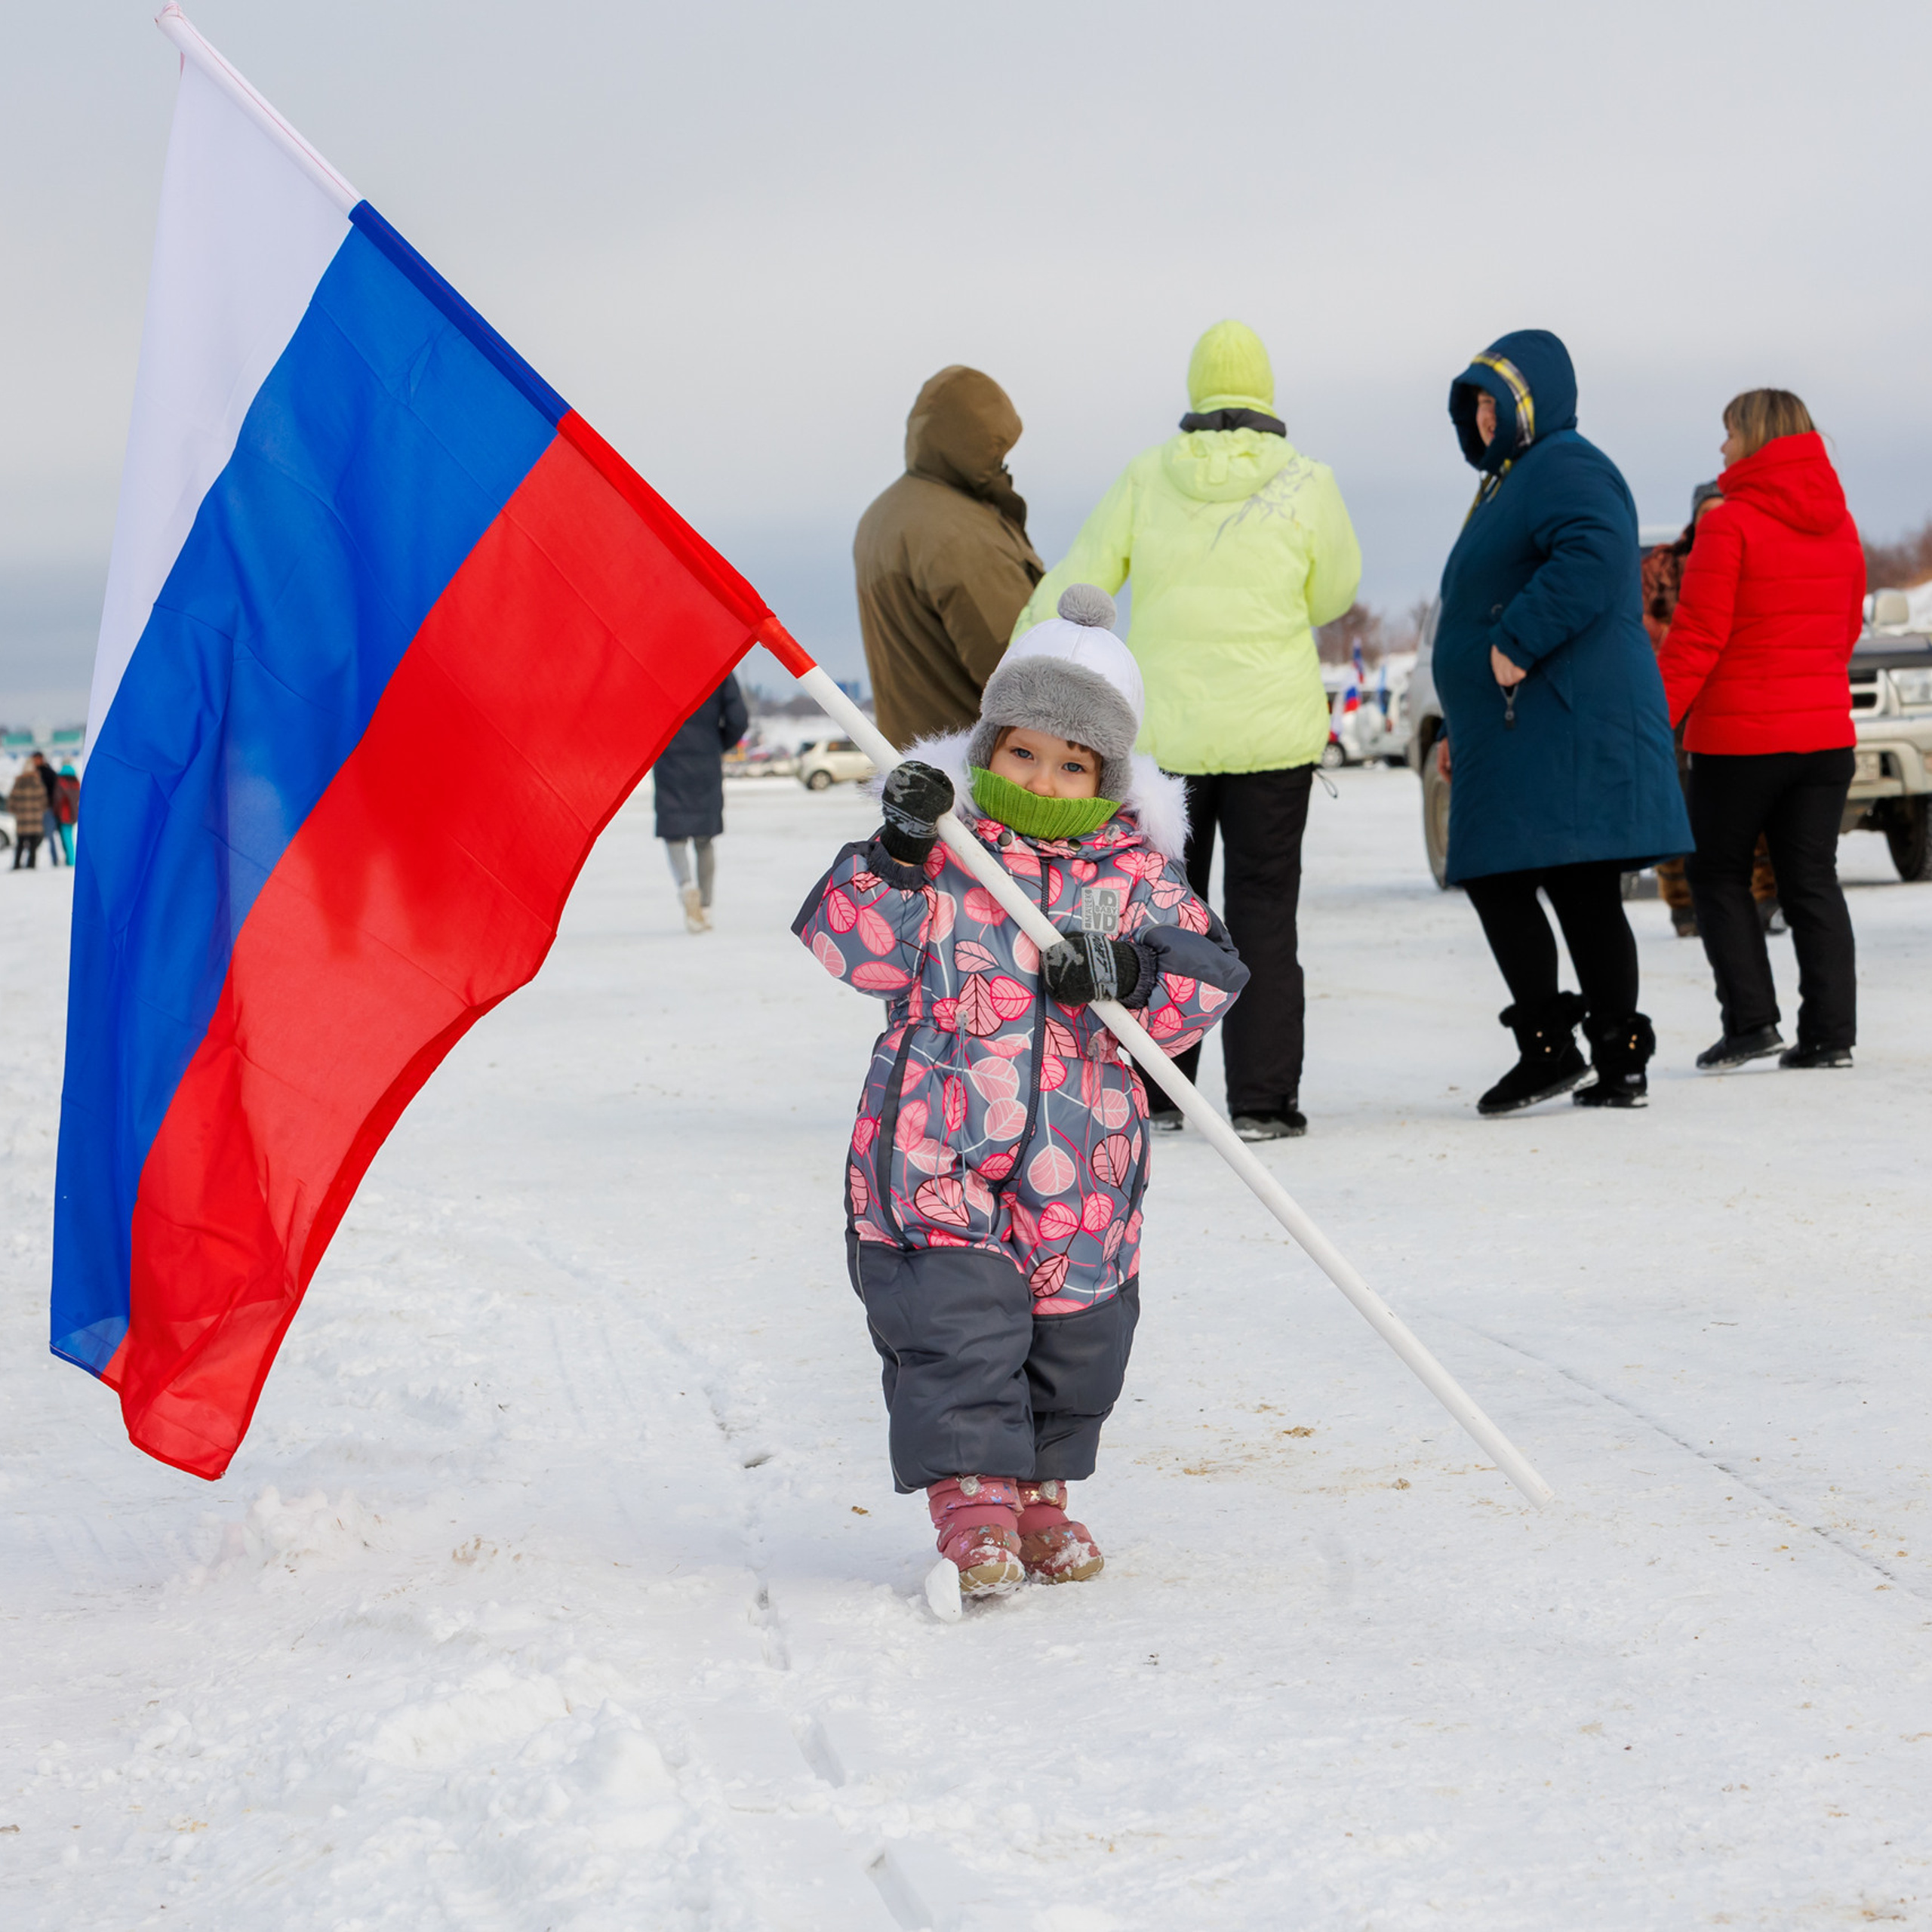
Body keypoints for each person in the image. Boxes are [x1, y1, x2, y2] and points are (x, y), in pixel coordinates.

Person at [793, 587, 1247, 1598]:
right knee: (955, 1323)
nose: (1043, 778)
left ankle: (1040, 1499)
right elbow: (854, 948)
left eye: (1072, 763)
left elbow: (1208, 979)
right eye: (1023, 752)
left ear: (1108, 775)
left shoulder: (1135, 874)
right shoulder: (947, 853)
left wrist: (1132, 970)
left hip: (1083, 1165)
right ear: (989, 749)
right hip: (934, 1147)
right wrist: (899, 851)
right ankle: (973, 1507)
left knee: (1074, 1336)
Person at [1013, 321, 1360, 1140]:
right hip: (1273, 735)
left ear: (1197, 387)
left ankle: (1160, 1091)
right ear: (1264, 389)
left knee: (1164, 910)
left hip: (1169, 741)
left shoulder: (1147, 475)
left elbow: (1082, 577)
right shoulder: (1308, 480)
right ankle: (1264, 1101)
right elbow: (1334, 594)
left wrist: (1024, 655)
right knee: (1265, 912)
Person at [1435, 330, 1690, 1114]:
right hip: (1524, 727)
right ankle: (1611, 1060)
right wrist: (1462, 720)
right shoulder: (1516, 478)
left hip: (1556, 722)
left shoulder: (1563, 463)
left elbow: (1596, 551)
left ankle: (1556, 1049)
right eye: (1477, 406)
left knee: (1515, 875)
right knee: (1571, 885)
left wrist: (1515, 643)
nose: (1485, 419)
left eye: (1496, 403)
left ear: (1531, 402)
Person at [1657, 389, 1865, 1071]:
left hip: (1740, 740)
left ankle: (1751, 1023)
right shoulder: (1841, 524)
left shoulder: (1729, 524)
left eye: (1729, 433)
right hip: (1825, 737)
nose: (1722, 448)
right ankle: (1830, 1036)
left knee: (1717, 871)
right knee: (1813, 881)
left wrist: (1651, 721)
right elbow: (1845, 630)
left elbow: (1697, 638)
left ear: (1756, 436)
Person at [854, 367, 1044, 749]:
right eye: (998, 447)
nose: (1004, 459)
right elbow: (1026, 681)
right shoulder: (959, 535)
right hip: (979, 771)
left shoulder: (883, 515)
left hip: (919, 760)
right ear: (975, 442)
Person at [1644, 487, 1778, 938]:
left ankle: (1766, 899)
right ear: (1694, 519)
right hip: (1677, 699)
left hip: (1736, 699)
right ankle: (1683, 907)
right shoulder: (1661, 566)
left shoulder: (1754, 555)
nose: (1716, 520)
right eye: (1707, 513)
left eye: (1723, 512)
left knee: (1751, 806)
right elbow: (1636, 619)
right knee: (1678, 803)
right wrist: (1684, 640)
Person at [651, 672, 748, 933]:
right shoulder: (719, 666)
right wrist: (716, 743)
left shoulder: (659, 665)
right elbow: (739, 718)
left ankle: (686, 887)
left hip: (668, 757)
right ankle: (705, 908)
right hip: (706, 759)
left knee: (674, 834)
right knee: (705, 840)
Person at [8, 761, 46, 868]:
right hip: (35, 818)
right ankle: (31, 864)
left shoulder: (19, 782)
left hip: (22, 818)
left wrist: (16, 811)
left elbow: (12, 800)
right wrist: (39, 810)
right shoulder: (37, 782)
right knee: (33, 844)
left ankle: (17, 864)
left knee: (20, 842)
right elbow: (43, 800)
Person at [32, 753, 63, 867]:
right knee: (36, 836)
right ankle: (31, 861)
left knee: (49, 835)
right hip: (37, 809)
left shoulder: (47, 773)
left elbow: (54, 791)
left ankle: (55, 860)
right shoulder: (34, 772)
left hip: (48, 808)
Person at [54, 764, 79, 864]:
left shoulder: (61, 782)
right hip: (74, 813)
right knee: (70, 837)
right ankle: (70, 859)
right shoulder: (76, 783)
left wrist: (55, 810)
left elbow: (57, 798)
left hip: (64, 814)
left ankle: (71, 860)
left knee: (66, 838)